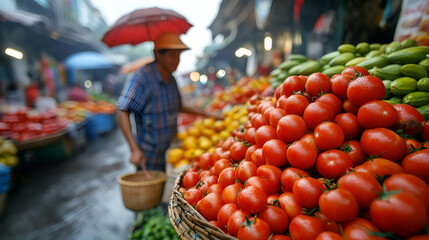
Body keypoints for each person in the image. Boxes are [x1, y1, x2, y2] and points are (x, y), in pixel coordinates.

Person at [117, 32, 221, 172]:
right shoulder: (142, 77)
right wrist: (134, 149)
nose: (177, 60)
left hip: (173, 151)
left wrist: (208, 114)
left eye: (179, 56)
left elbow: (178, 106)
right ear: (158, 55)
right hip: (149, 155)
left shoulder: (171, 79)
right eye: (172, 55)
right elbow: (123, 110)